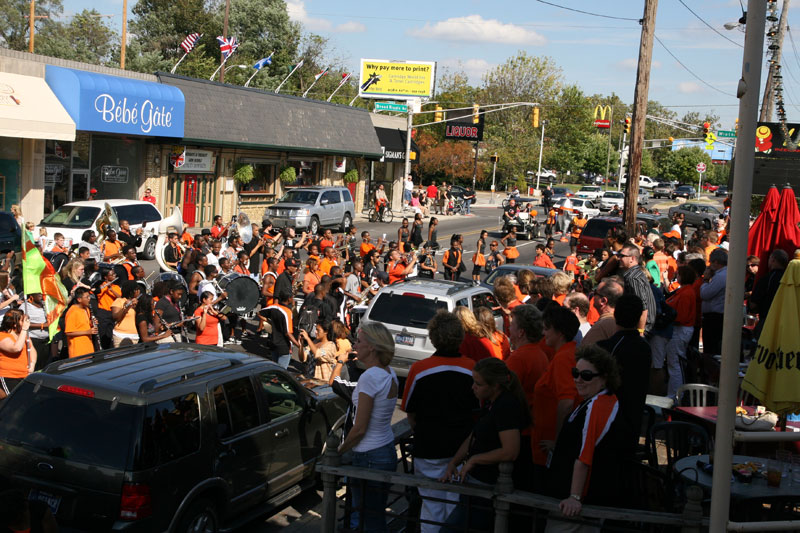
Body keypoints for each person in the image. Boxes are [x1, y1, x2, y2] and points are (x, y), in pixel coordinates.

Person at [402, 311, 477, 533]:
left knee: (431, 506)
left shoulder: (420, 369)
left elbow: (410, 411)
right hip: (462, 448)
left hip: (429, 447)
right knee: (455, 507)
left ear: (433, 338)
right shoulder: (472, 368)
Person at [440, 358, 530, 532]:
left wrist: (474, 460)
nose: (473, 387)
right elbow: (474, 436)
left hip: (487, 485)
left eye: (478, 384)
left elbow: (511, 450)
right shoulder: (492, 402)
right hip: (477, 482)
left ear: (495, 385)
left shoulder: (506, 406)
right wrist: (454, 462)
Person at [546, 344, 622, 528]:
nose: (578, 380)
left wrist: (575, 497)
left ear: (604, 378)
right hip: (570, 498)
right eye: (575, 373)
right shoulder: (592, 401)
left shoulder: (598, 405)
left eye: (586, 375)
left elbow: (584, 455)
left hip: (576, 506)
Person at [338, 322, 399, 532]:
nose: (354, 345)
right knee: (375, 516)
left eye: (359, 341)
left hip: (369, 456)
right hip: (385, 449)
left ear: (372, 347)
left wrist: (339, 451)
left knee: (369, 519)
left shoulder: (370, 377)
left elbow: (360, 428)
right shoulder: (389, 373)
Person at [595, 294, 652, 455]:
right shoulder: (644, 347)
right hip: (633, 417)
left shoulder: (607, 347)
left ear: (616, 315)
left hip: (609, 420)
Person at [532, 306, 581, 481]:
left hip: (550, 447)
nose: (543, 333)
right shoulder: (565, 354)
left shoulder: (563, 358)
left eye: (547, 328)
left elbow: (567, 402)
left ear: (560, 332)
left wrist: (558, 442)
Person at [505, 304, 549, 489]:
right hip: (530, 428)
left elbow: (505, 395)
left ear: (521, 332)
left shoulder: (518, 358)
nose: (509, 328)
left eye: (512, 325)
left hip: (519, 431)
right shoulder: (539, 354)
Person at [618, 244, 657, 334]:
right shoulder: (635, 273)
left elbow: (642, 306)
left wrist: (640, 332)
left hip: (642, 327)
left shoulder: (633, 277)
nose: (619, 258)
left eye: (622, 256)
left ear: (632, 258)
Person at [0, 310, 35, 398]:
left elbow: (31, 349)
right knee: (13, 401)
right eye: (22, 320)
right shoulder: (2, 335)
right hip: (9, 376)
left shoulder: (23, 335)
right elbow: (16, 348)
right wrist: (24, 329)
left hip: (25, 375)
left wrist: (32, 364)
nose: (25, 323)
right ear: (14, 324)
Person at [700, 248, 728, 355]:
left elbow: (705, 294)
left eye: (710, 262)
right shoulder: (723, 274)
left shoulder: (721, 276)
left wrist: (706, 280)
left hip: (715, 318)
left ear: (716, 262)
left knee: (711, 349)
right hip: (716, 316)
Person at [263, 291, 302, 368]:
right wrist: (299, 345)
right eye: (292, 298)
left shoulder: (273, 307)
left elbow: (259, 313)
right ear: (289, 299)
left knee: (275, 368)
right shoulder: (287, 312)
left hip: (273, 343)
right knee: (281, 370)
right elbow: (288, 333)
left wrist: (269, 321)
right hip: (284, 346)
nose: (293, 299)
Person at [581, 276, 624, 346]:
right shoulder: (620, 322)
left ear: (603, 301)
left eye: (595, 293)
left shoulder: (601, 326)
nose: (593, 296)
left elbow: (583, 349)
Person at [64, 287, 97, 358]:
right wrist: (87, 332)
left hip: (88, 348)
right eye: (87, 297)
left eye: (89, 296)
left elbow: (83, 325)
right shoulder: (72, 311)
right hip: (78, 351)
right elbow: (68, 332)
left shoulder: (86, 309)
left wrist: (92, 323)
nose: (89, 299)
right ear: (79, 299)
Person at [25, 294, 51, 370]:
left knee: (45, 364)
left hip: (46, 340)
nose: (40, 294)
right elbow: (22, 323)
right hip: (34, 339)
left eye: (41, 293)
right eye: (38, 293)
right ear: (31, 296)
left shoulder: (45, 304)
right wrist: (42, 325)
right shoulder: (25, 306)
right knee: (35, 364)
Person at [111, 281, 140, 347]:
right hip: (121, 335)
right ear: (131, 291)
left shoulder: (137, 302)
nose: (138, 291)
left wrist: (137, 306)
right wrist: (126, 307)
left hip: (134, 336)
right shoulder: (119, 301)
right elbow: (116, 317)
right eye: (136, 289)